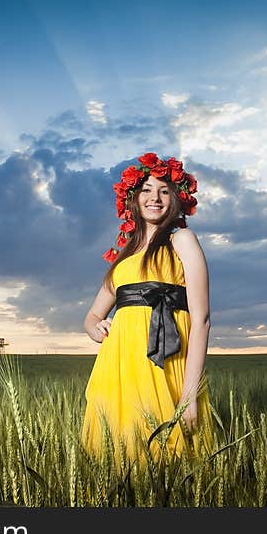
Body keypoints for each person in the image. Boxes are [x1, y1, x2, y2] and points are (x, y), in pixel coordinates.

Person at [81, 152, 213, 464]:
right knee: (118, 452)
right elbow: (92, 316)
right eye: (147, 190)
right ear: (134, 199)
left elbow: (203, 319)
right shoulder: (123, 257)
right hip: (119, 366)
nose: (155, 198)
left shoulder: (182, 240)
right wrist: (95, 328)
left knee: (172, 456)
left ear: (176, 199)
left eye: (164, 191)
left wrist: (190, 393)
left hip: (166, 364)